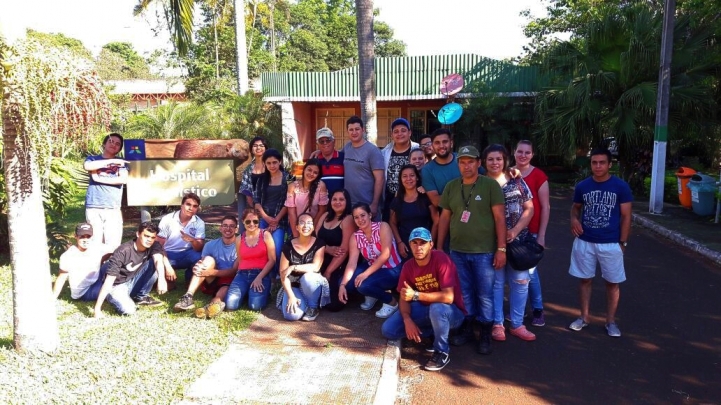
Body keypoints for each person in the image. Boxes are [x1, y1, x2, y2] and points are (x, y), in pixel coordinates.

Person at [437, 145, 506, 355]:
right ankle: (467, 327)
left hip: (484, 251)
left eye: (470, 162)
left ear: (478, 163)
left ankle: (485, 331)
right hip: (457, 250)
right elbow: (444, 218)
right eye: (462, 162)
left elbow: (499, 218)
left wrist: (501, 248)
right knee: (465, 291)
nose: (466, 166)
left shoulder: (490, 186)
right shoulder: (451, 186)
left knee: (485, 294)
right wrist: (439, 247)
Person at [381, 227, 465, 371]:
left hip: (451, 312)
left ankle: (442, 351)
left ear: (431, 245)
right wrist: (407, 320)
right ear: (409, 245)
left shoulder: (441, 259)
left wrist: (416, 295)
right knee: (388, 330)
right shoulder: (408, 266)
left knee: (437, 308)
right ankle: (433, 331)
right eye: (415, 243)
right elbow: (404, 296)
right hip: (426, 308)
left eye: (423, 243)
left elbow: (448, 297)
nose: (418, 247)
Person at [568, 148, 632, 338]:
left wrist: (623, 243)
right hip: (585, 241)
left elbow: (627, 217)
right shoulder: (583, 186)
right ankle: (584, 317)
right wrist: (573, 219)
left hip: (610, 242)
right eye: (594, 162)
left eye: (602, 162)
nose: (597, 166)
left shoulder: (620, 187)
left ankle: (610, 321)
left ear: (609, 164)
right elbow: (575, 208)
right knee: (585, 279)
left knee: (612, 283)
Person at [485, 144, 536, 342]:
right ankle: (497, 323)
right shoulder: (481, 182)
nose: (495, 162)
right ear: (484, 162)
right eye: (490, 159)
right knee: (496, 283)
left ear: (505, 160)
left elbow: (528, 208)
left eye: (498, 159)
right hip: (491, 241)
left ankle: (517, 324)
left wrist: (515, 230)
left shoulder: (516, 180)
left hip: (518, 240)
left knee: (521, 281)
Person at [339, 203, 403, 318]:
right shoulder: (355, 236)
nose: (360, 219)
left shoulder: (383, 227)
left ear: (369, 215)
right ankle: (372, 294)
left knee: (363, 285)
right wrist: (342, 285)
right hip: (373, 267)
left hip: (392, 268)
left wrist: (365, 274)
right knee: (345, 283)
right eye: (356, 217)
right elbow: (352, 263)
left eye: (362, 215)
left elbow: (385, 255)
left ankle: (391, 302)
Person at [512, 140, 550, 327]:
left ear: (532, 154)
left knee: (530, 273)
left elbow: (545, 207)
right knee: (514, 274)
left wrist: (541, 235)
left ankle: (537, 309)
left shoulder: (538, 176)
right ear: (514, 153)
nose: (523, 155)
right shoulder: (508, 173)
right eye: (520, 151)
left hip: (531, 233)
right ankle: (516, 310)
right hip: (512, 232)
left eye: (527, 152)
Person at [93, 222, 169, 317]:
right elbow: (109, 281)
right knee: (129, 310)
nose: (149, 240)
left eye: (152, 237)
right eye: (146, 236)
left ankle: (141, 297)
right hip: (117, 286)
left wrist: (162, 279)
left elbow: (158, 260)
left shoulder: (154, 245)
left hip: (133, 280)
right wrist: (97, 309)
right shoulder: (122, 251)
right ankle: (113, 298)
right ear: (138, 234)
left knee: (154, 262)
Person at [172, 215, 239, 318]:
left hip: (230, 280)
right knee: (208, 259)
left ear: (236, 229)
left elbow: (234, 271)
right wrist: (198, 267)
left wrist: (210, 272)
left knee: (222, 292)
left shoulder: (240, 246)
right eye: (225, 225)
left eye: (231, 226)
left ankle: (212, 306)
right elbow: (203, 264)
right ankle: (188, 296)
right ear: (220, 228)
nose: (228, 229)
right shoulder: (210, 245)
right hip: (212, 279)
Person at [278, 213, 328, 321]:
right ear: (296, 227)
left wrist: (293, 267)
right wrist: (291, 296)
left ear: (313, 227)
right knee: (291, 316)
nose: (306, 226)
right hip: (293, 285)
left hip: (311, 284)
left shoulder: (319, 243)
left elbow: (315, 267)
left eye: (309, 223)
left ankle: (313, 307)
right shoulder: (288, 246)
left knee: (308, 278)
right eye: (302, 222)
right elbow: (283, 274)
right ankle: (302, 303)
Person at [84, 132, 129, 248]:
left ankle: (111, 266)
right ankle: (96, 266)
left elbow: (123, 179)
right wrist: (112, 162)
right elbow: (88, 166)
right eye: (111, 141)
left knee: (113, 244)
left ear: (119, 149)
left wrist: (98, 178)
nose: (114, 145)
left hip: (113, 208)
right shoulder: (92, 159)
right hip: (94, 206)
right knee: (95, 242)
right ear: (104, 144)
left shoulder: (122, 163)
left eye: (118, 144)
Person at [226, 209, 276, 311]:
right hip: (242, 274)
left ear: (259, 221)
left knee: (255, 306)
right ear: (243, 221)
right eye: (248, 221)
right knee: (231, 305)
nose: (252, 224)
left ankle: (263, 292)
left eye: (255, 221)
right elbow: (241, 260)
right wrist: (238, 277)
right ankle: (248, 291)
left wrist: (259, 277)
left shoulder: (265, 235)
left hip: (261, 273)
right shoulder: (239, 238)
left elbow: (272, 260)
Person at [253, 148, 291, 278]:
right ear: (264, 164)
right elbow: (256, 200)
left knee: (277, 248)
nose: (272, 165)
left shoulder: (288, 178)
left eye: (274, 162)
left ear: (280, 162)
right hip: (264, 218)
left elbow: (290, 201)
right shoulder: (261, 179)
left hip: (281, 219)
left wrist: (276, 220)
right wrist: (266, 217)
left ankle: (277, 275)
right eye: (268, 163)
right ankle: (263, 274)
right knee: (262, 247)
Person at [53, 223, 114, 301]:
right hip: (85, 291)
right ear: (75, 236)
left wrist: (102, 261)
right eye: (82, 237)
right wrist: (53, 298)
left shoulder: (96, 246)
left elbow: (114, 250)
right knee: (111, 288)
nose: (85, 240)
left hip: (96, 279)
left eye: (88, 237)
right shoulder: (68, 256)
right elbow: (61, 278)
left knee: (114, 264)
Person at [390, 165, 438, 261]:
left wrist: (430, 243)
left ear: (417, 177)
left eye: (412, 175)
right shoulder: (397, 200)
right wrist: (399, 243)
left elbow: (436, 220)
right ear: (400, 179)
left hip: (424, 245)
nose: (408, 179)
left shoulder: (425, 197)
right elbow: (392, 222)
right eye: (404, 176)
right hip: (406, 247)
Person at [317, 189, 354, 312]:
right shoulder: (324, 216)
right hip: (320, 257)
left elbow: (344, 249)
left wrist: (328, 272)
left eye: (341, 199)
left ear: (347, 202)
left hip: (338, 263)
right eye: (334, 199)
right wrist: (327, 249)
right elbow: (314, 240)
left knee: (334, 304)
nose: (337, 202)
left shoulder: (348, 219)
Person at [342, 116, 385, 220]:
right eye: (351, 130)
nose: (354, 132)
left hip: (367, 205)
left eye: (357, 129)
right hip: (349, 204)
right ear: (347, 131)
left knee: (371, 235)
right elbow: (334, 156)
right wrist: (319, 152)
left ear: (363, 130)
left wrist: (374, 204)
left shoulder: (373, 151)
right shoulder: (347, 148)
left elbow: (380, 179)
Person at [157, 192, 205, 284]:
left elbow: (199, 248)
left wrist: (192, 240)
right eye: (188, 204)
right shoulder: (167, 219)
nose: (191, 208)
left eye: (195, 206)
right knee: (169, 287)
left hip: (186, 254)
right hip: (168, 253)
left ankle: (190, 280)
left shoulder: (199, 222)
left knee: (200, 256)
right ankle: (167, 278)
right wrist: (167, 266)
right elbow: (158, 246)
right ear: (182, 205)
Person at [381, 118, 420, 221]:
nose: (400, 134)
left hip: (413, 198)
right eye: (396, 131)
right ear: (392, 135)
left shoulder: (418, 150)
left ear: (409, 132)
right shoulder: (385, 152)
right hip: (390, 198)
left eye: (403, 130)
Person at [285, 159, 329, 237]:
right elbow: (291, 212)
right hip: (296, 226)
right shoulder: (292, 187)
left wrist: (312, 229)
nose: (311, 174)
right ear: (304, 169)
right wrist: (296, 234)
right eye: (309, 170)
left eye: (315, 172)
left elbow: (322, 210)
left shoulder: (321, 186)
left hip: (313, 227)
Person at [238, 136, 268, 232]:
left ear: (266, 148)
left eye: (261, 145)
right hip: (256, 210)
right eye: (255, 146)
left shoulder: (272, 166)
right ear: (251, 149)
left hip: (274, 208)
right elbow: (246, 191)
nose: (258, 148)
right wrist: (255, 209)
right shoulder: (248, 169)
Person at [315, 128, 345, 196]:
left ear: (334, 141)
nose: (325, 143)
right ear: (317, 144)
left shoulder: (343, 158)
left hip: (339, 202)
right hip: (320, 203)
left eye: (328, 140)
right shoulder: (314, 160)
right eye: (321, 141)